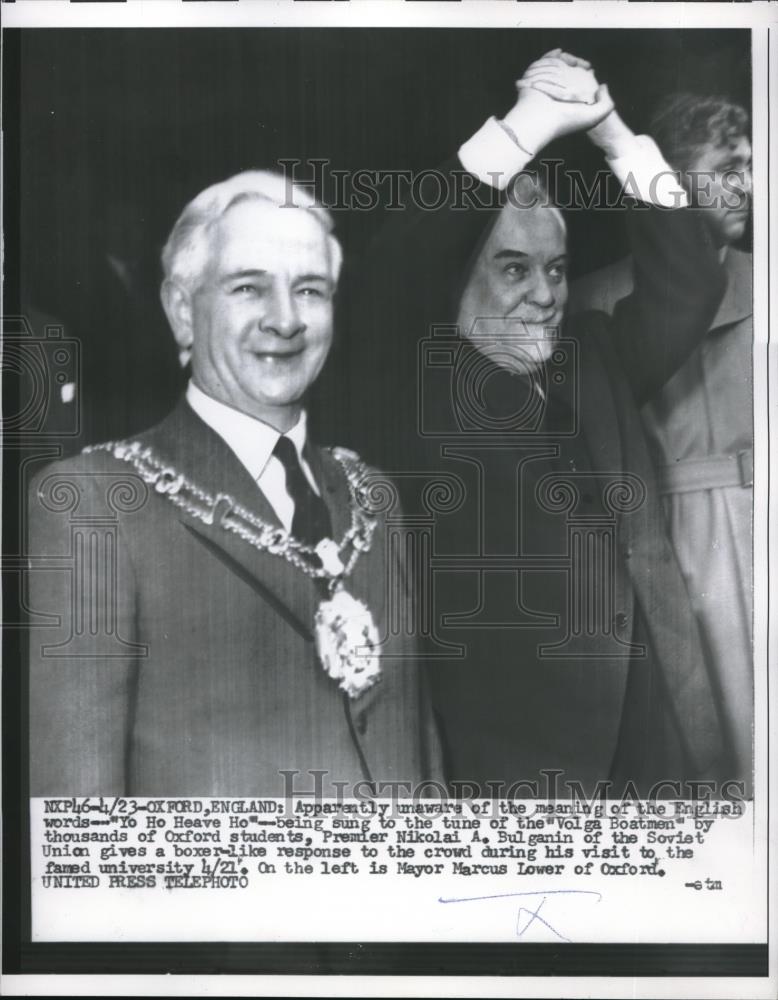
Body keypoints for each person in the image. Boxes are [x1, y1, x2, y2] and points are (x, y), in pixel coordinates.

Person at [339, 52, 729, 796]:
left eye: (555, 269)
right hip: (513, 758)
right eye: (513, 269)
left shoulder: (597, 356)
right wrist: (528, 127)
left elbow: (692, 283)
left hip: (651, 737)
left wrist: (613, 134)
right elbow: (391, 269)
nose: (544, 293)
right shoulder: (410, 381)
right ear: (456, 280)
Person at [27, 170, 442, 797]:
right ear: (181, 310)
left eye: (309, 290)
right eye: (248, 287)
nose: (285, 320)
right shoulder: (95, 503)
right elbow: (78, 835)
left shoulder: (374, 498)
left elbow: (421, 756)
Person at [569, 93, 753, 793]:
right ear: (668, 182)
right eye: (727, 167)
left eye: (755, 166)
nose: (750, 184)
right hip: (663, 544)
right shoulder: (594, 304)